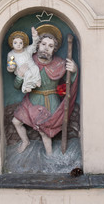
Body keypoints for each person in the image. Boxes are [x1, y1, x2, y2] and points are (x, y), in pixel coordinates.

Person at [12, 25, 78, 155]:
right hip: (31, 100)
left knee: (45, 132)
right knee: (15, 121)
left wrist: (74, 70)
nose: (46, 48)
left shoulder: (59, 63)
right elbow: (16, 85)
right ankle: (25, 141)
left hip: (49, 102)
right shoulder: (29, 61)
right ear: (38, 45)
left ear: (54, 49)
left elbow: (70, 81)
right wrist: (20, 76)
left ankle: (49, 156)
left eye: (50, 46)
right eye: (43, 44)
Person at [7, 27, 41, 93]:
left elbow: (34, 45)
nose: (18, 45)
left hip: (31, 66)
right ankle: (27, 87)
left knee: (36, 68)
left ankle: (38, 80)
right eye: (15, 43)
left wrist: (35, 36)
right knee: (27, 74)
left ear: (23, 43)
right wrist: (11, 68)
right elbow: (10, 64)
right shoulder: (11, 54)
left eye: (20, 43)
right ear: (12, 43)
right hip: (22, 71)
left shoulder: (27, 50)